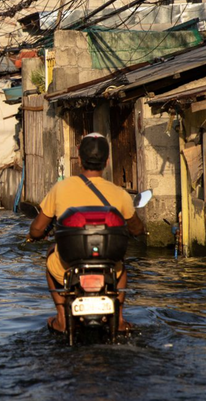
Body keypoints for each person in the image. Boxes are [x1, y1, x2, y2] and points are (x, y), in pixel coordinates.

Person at [27, 132, 145, 333]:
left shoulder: (60, 189)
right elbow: (137, 229)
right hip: (108, 270)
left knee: (50, 256)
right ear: (107, 162)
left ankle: (63, 318)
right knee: (121, 266)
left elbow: (36, 230)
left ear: (79, 160)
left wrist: (37, 234)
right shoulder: (121, 194)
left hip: (67, 268)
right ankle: (120, 319)